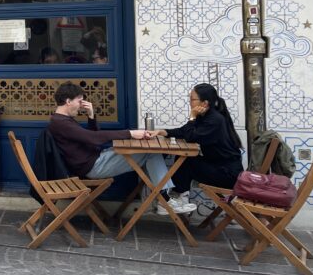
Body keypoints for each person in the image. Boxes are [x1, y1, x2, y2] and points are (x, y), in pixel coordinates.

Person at [47, 82, 196, 215]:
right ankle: (164, 200)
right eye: (79, 101)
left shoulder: (63, 121)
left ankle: (160, 198)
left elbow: (93, 139)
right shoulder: (61, 123)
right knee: (151, 153)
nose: (81, 105)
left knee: (149, 153)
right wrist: (130, 133)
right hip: (92, 167)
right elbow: (93, 138)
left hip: (96, 159)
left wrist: (91, 116)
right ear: (68, 101)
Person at [155, 83, 244, 215]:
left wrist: (192, 116)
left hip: (227, 175)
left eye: (192, 99)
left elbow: (191, 136)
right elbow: (185, 131)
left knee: (187, 160)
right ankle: (179, 198)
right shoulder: (206, 117)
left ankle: (179, 199)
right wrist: (163, 132)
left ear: (204, 103)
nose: (190, 102)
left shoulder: (215, 120)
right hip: (219, 167)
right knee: (185, 158)